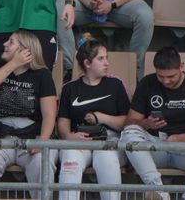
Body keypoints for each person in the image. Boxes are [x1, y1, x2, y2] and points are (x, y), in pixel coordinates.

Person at [119, 46, 185, 200]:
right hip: (154, 146)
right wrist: (146, 123)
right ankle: (159, 192)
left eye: (171, 76)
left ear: (181, 67)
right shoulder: (147, 83)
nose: (165, 81)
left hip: (184, 147)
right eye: (160, 76)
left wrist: (178, 139)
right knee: (129, 132)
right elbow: (129, 122)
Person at [0, 30, 58, 199]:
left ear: (25, 50)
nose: (4, 44)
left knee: (42, 163)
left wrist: (42, 141)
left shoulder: (42, 75)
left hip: (32, 137)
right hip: (1, 135)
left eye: (11, 42)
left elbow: (49, 114)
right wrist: (12, 64)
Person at [56, 37, 130, 200]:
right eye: (101, 59)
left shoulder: (116, 84)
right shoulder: (70, 88)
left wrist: (101, 118)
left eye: (107, 58)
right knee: (70, 157)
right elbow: (63, 122)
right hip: (79, 141)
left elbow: (127, 123)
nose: (107, 63)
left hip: (110, 141)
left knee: (106, 156)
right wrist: (68, 136)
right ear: (87, 63)